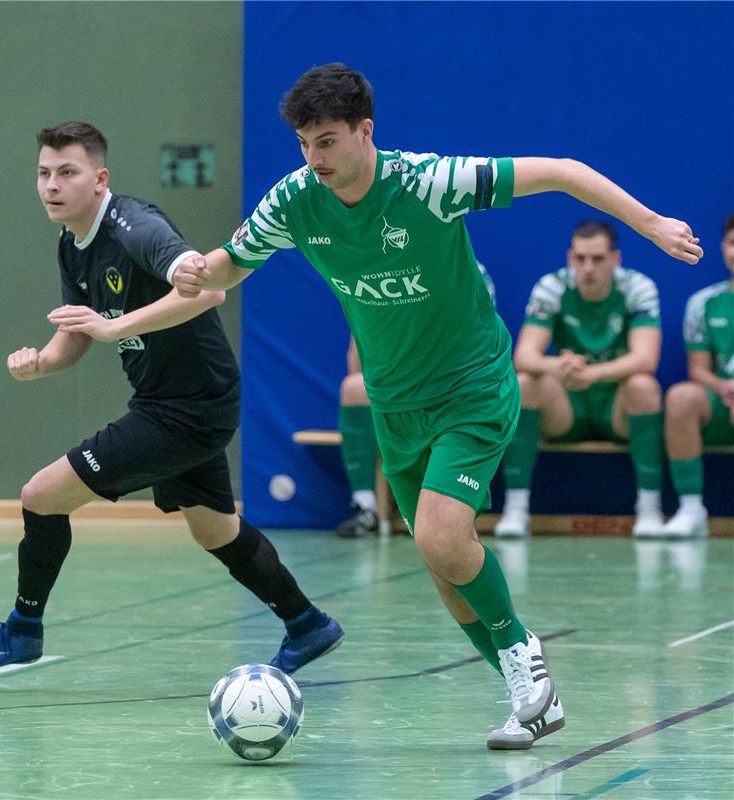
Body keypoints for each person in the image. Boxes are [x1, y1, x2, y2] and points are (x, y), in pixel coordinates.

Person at [173, 64, 702, 748]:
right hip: (397, 407)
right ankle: (531, 698)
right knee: (446, 566)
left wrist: (652, 222)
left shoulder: (428, 181)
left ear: (366, 131)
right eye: (304, 143)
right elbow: (227, 266)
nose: (314, 158)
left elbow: (566, 170)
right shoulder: (295, 200)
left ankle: (521, 649)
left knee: (441, 537)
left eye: (328, 141)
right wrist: (193, 268)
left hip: (471, 388)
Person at [0, 121, 342, 676]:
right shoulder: (71, 242)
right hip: (181, 400)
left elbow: (204, 287)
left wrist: (181, 271)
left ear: (99, 177)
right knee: (215, 530)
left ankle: (22, 630)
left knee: (41, 495)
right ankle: (307, 624)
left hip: (185, 409)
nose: (51, 185)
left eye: (66, 172)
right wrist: (41, 361)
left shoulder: (133, 224)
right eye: (43, 173)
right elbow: (77, 331)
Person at [495, 221, 666, 539]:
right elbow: (524, 356)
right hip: (568, 405)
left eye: (598, 259)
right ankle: (516, 510)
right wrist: (559, 364)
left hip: (616, 406)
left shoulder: (638, 287)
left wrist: (593, 373)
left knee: (644, 386)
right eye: (580, 258)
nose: (587, 268)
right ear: (570, 257)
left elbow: (646, 359)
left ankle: (650, 509)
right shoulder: (552, 285)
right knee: (525, 383)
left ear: (616, 259)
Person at [337, 263, 496, 538]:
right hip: (397, 392)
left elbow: (476, 340)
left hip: (452, 388)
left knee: (446, 538)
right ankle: (366, 506)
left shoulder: (469, 270)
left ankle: (463, 509)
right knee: (354, 387)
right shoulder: (373, 270)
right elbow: (358, 359)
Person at [662, 213, 734, 537]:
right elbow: (698, 370)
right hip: (723, 401)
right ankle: (692, 510)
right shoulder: (703, 303)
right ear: (723, 248)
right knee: (680, 397)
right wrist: (725, 388)